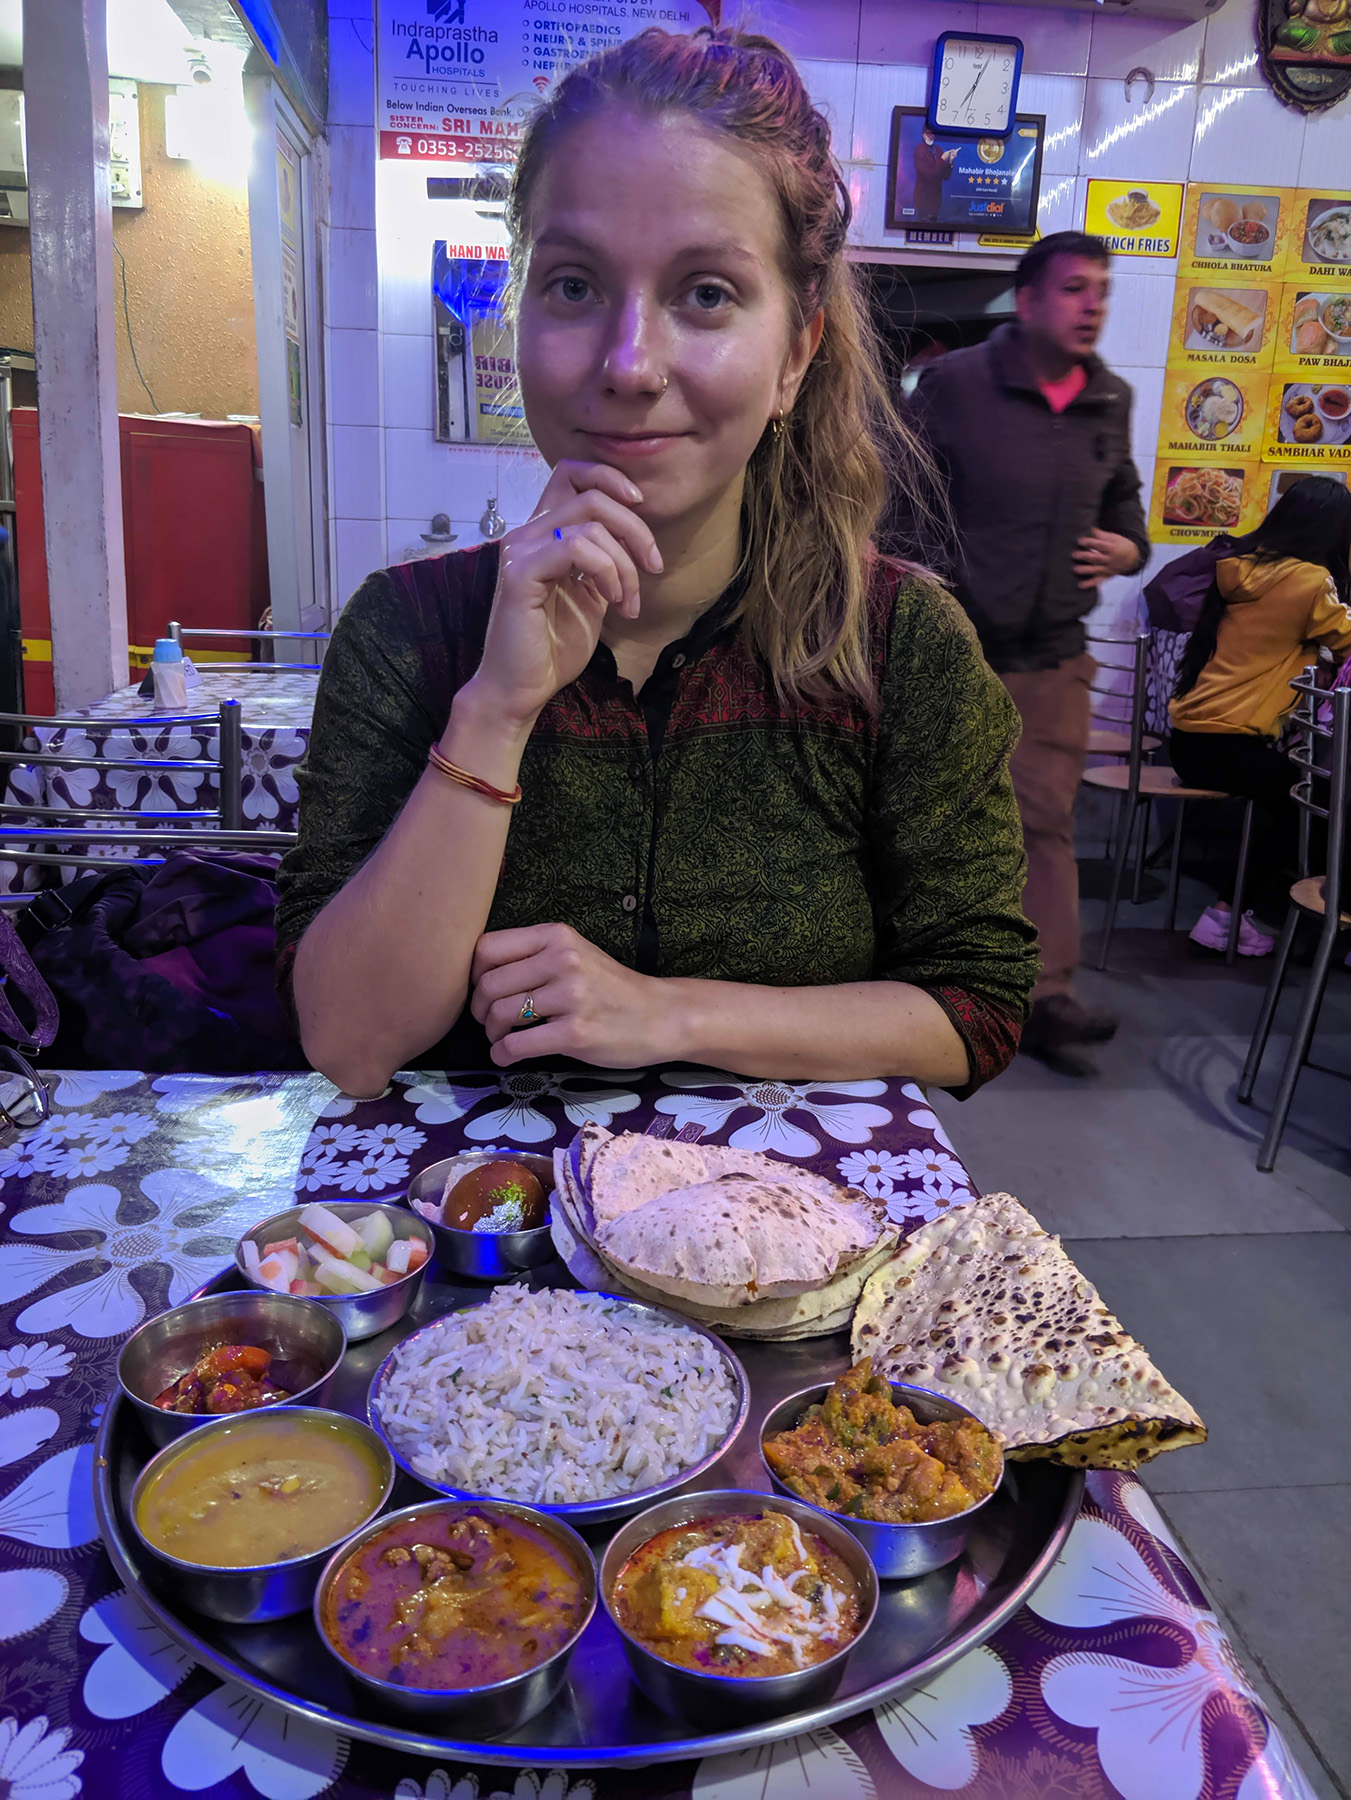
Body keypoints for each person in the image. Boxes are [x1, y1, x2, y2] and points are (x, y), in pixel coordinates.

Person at [277, 27, 1037, 1103]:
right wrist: (496, 707)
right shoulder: (407, 632)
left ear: (797, 354)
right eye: (576, 286)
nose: (629, 365)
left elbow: (978, 1002)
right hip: (490, 1241)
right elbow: (348, 1043)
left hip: (797, 1246)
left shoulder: (897, 647)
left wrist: (664, 1010)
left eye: (707, 295)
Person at [906, 231, 1150, 1078]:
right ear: (1031, 298)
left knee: (1044, 824)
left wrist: (1125, 550)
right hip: (953, 655)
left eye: (1102, 292)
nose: (1093, 306)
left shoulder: (1108, 399)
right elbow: (899, 502)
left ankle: (1046, 1000)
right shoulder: (955, 385)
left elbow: (1127, 515)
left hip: (1053, 660)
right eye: (1076, 289)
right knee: (929, 821)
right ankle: (925, 983)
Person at [1169, 476, 1351, 954]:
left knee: (1300, 795)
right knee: (1311, 797)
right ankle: (1227, 917)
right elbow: (1347, 640)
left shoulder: (1242, 567)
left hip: (1191, 740)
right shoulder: (1310, 581)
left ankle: (1240, 913)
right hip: (1230, 743)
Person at [911, 128, 957, 221]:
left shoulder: (938, 150)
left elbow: (945, 176)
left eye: (933, 134)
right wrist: (943, 159)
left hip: (936, 201)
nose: (931, 136)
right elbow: (929, 174)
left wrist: (950, 161)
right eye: (928, 134)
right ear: (923, 135)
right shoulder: (919, 151)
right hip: (923, 200)